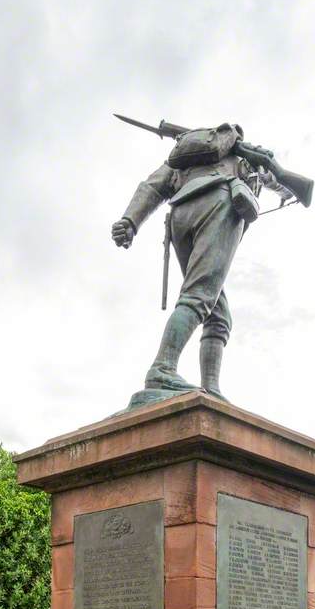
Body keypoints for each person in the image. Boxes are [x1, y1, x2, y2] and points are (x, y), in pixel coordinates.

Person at [111, 123, 286, 403]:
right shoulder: (238, 158)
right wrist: (284, 186)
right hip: (220, 203)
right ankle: (162, 368)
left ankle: (211, 389)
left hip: (180, 217)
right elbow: (271, 177)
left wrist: (130, 220)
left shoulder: (187, 158)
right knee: (199, 295)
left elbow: (153, 185)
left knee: (218, 314)